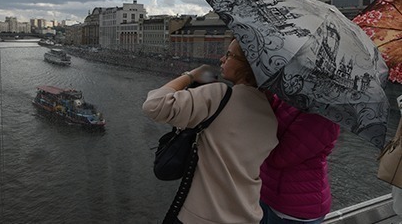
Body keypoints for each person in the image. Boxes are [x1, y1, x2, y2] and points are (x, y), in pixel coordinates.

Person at [142, 38, 279, 224]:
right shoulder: (270, 115)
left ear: (247, 65)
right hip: (249, 214)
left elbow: (153, 105)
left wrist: (191, 75)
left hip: (202, 216)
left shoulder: (220, 94)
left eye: (230, 55)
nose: (222, 59)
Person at [259, 93, 340, 224]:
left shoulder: (323, 117)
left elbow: (280, 158)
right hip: (271, 194)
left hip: (294, 210)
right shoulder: (295, 96)